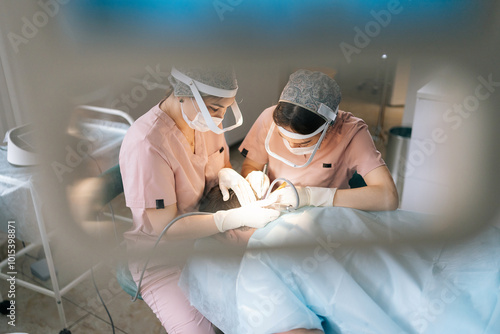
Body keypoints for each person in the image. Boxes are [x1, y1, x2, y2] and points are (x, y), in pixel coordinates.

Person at [119, 66, 279, 334]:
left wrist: (228, 173)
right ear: (184, 93)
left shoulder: (203, 119)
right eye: (215, 108)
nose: (220, 117)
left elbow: (221, 160)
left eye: (226, 108)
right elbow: (167, 230)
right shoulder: (147, 145)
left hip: (209, 242)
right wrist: (233, 218)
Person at [239, 69, 399, 212]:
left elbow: (388, 197)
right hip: (278, 210)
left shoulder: (351, 132)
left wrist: (311, 196)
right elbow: (251, 165)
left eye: (304, 143)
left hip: (326, 217)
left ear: (328, 126)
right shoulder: (269, 118)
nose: (291, 147)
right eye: (284, 138)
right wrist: (254, 177)